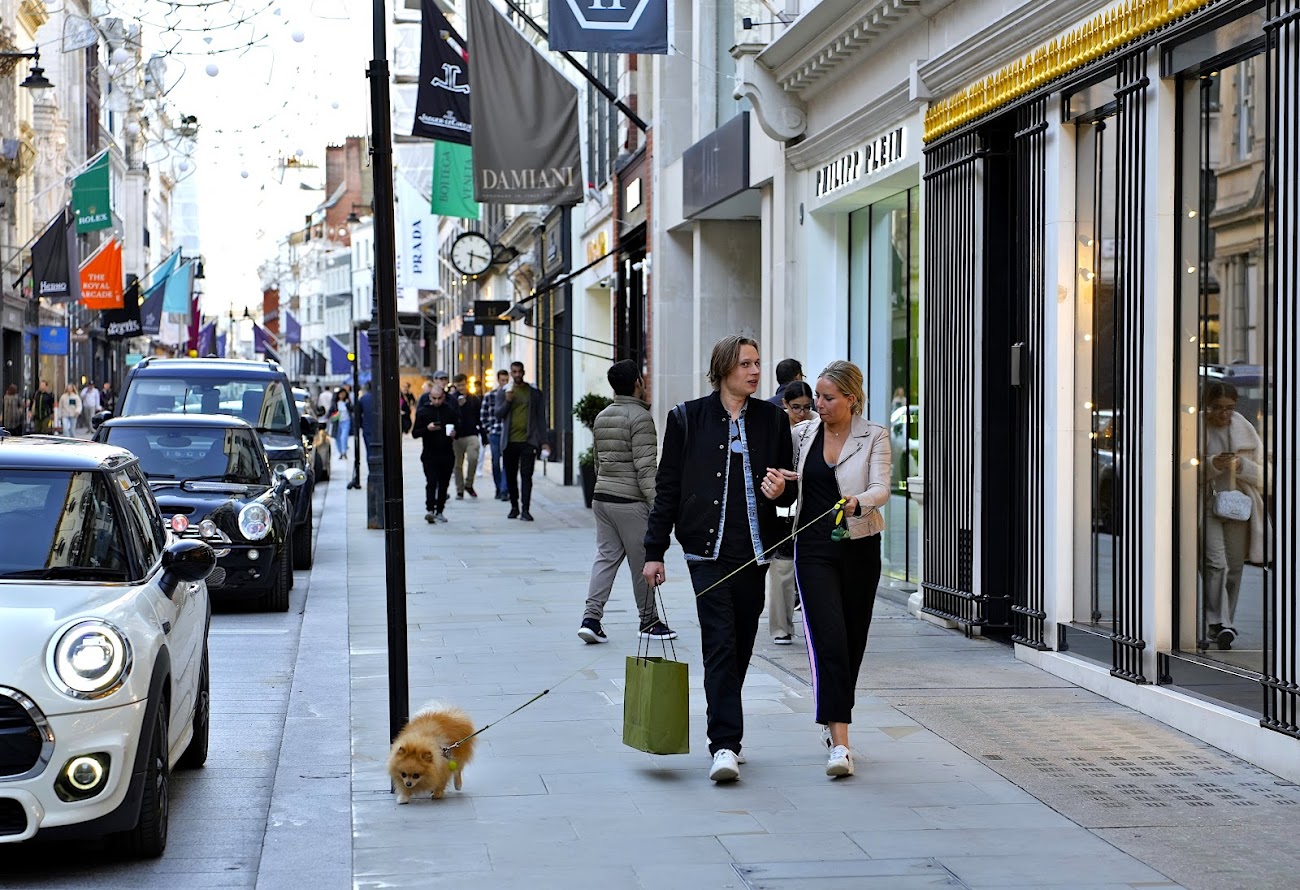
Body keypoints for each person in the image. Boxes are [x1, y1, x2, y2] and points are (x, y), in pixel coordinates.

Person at [642, 335, 796, 783]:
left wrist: (783, 491)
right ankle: (725, 744)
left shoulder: (772, 419)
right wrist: (655, 552)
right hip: (704, 553)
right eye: (746, 364)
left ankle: (726, 727)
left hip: (754, 550)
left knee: (742, 643)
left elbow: (789, 489)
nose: (755, 371)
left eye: (757, 363)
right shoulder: (687, 417)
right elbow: (667, 487)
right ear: (724, 368)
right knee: (720, 643)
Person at [788, 360, 890, 778]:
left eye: (829, 398)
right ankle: (842, 743)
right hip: (812, 549)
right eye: (817, 397)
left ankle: (834, 720)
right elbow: (782, 477)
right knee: (828, 638)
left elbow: (882, 487)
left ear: (851, 398)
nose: (819, 405)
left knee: (851, 642)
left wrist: (858, 502)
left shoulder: (875, 436)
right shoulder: (802, 434)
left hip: (859, 546)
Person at [580, 360, 676, 645]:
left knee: (606, 558)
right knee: (642, 562)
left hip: (602, 498)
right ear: (637, 382)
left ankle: (590, 619)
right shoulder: (640, 418)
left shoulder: (602, 415)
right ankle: (649, 621)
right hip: (629, 501)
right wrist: (659, 507)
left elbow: (597, 462)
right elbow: (646, 468)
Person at [1201, 381, 1267, 651]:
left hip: (1239, 506)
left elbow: (1265, 475)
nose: (1224, 414)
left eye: (1229, 408)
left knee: (1235, 568)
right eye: (1218, 408)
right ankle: (1217, 622)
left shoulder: (1245, 430)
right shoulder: (1195, 429)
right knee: (1215, 563)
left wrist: (1241, 465)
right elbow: (1179, 469)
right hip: (1207, 504)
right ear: (1207, 406)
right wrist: (1211, 465)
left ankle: (1224, 623)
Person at [768, 380, 814, 645]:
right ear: (785, 404)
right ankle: (781, 627)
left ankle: (810, 624)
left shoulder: (818, 424)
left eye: (807, 407)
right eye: (796, 407)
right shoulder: (775, 426)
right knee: (781, 567)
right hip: (781, 504)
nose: (802, 413)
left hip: (808, 504)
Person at [495, 361, 547, 522]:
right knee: (510, 476)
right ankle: (514, 507)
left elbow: (540, 418)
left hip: (528, 441)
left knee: (526, 475)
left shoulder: (534, 393)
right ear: (511, 373)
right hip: (509, 441)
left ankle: (525, 509)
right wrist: (508, 401)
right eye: (514, 372)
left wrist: (543, 441)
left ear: (524, 372)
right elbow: (498, 414)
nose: (517, 374)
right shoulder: (504, 393)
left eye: (520, 372)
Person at [412, 384, 459, 523]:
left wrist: (454, 433)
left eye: (439, 398)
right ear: (429, 397)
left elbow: (459, 428)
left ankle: (440, 510)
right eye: (434, 398)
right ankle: (430, 509)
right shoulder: (423, 411)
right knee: (431, 482)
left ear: (444, 397)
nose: (437, 401)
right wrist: (427, 429)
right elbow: (415, 433)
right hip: (429, 453)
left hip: (447, 453)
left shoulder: (449, 411)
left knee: (444, 483)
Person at [449, 373, 482, 499]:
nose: (461, 388)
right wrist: (458, 406)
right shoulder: (452, 399)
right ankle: (460, 489)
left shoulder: (474, 399)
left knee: (473, 458)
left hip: (471, 433)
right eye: (458, 385)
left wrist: (483, 434)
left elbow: (479, 417)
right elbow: (450, 415)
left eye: (463, 385)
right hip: (457, 436)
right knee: (457, 464)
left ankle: (469, 483)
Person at [480, 370, 511, 501]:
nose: (504, 382)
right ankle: (498, 487)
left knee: (507, 462)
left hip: (508, 433)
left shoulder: (511, 396)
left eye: (506, 380)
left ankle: (504, 489)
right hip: (495, 433)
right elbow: (483, 415)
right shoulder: (490, 395)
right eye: (502, 380)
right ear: (498, 380)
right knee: (495, 462)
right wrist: (489, 429)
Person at [333, 390, 352, 460]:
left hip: (346, 421)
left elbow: (351, 409)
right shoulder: (336, 403)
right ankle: (341, 452)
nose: (342, 396)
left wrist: (348, 404)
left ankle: (344, 451)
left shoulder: (347, 402)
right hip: (338, 422)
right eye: (341, 394)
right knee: (337, 438)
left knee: (343, 437)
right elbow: (332, 411)